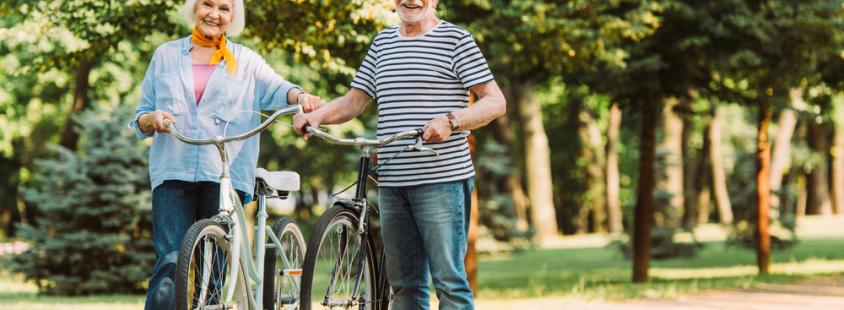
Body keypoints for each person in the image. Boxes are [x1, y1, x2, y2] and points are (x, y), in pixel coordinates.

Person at [293, 0, 506, 308]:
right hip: (393, 182)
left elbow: (495, 102)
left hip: (441, 180)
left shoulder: (456, 40)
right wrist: (317, 116)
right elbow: (354, 101)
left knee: (449, 283)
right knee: (404, 286)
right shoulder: (383, 43)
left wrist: (451, 121)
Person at [129, 0, 323, 308]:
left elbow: (278, 88)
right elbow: (140, 115)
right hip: (173, 170)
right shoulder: (165, 55)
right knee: (169, 261)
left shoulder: (245, 61)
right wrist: (149, 119)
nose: (214, 14)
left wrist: (301, 96)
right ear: (194, 7)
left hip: (224, 174)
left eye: (224, 8)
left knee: (215, 268)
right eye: (208, 4)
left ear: (234, 17)